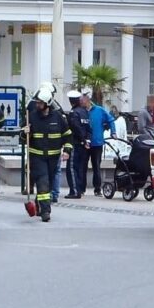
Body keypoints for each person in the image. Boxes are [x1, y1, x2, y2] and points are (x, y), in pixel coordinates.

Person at [25, 85, 71, 223]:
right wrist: (25, 132)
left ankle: (39, 204)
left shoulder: (58, 117)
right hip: (37, 156)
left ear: (47, 104)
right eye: (37, 102)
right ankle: (46, 212)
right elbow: (22, 137)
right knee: (43, 182)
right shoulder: (31, 117)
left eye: (40, 103)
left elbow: (67, 135)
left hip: (53, 157)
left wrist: (67, 151)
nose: (37, 105)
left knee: (48, 184)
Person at [79, 93, 115, 196]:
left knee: (96, 166)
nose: (81, 103)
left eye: (82, 101)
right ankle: (82, 189)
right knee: (83, 166)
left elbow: (111, 120)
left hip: (97, 143)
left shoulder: (100, 110)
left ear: (88, 100)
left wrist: (113, 132)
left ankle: (97, 189)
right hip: (85, 143)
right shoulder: (81, 111)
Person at [64, 90, 87, 198]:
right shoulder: (84, 112)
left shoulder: (73, 113)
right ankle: (80, 189)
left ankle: (74, 191)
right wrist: (87, 141)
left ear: (70, 101)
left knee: (72, 168)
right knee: (80, 168)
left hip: (75, 143)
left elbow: (76, 128)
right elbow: (89, 128)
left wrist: (82, 139)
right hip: (84, 144)